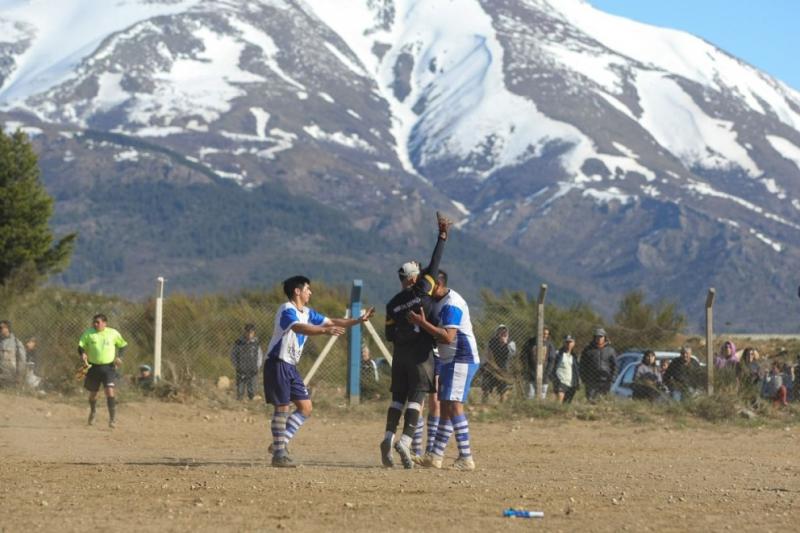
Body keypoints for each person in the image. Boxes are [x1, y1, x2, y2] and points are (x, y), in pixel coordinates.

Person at [265, 275, 375, 468]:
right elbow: (299, 328)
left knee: (306, 408)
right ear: (297, 291)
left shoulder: (307, 312)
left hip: (290, 366)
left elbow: (331, 321)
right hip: (278, 363)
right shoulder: (286, 309)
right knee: (282, 408)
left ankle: (278, 445)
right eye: (307, 288)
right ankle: (279, 453)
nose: (310, 292)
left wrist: (358, 320)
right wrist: (324, 331)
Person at [381, 212, 450, 469]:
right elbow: (436, 262)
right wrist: (442, 236)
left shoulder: (392, 305)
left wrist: (403, 334)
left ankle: (388, 437)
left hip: (399, 355)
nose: (422, 276)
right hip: (421, 355)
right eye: (418, 274)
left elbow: (388, 335)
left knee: (397, 398)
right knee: (417, 398)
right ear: (412, 278)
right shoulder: (423, 290)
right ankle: (406, 441)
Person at [409, 269, 481, 471]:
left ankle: (466, 457)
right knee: (447, 406)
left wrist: (422, 324)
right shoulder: (439, 301)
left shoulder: (452, 304)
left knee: (454, 406)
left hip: (461, 358)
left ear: (438, 285)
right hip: (451, 359)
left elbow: (448, 337)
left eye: (427, 287)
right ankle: (436, 456)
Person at [78, 314, 128, 428]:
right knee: (93, 395)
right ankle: (93, 411)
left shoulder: (113, 333)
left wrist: (120, 357)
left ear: (105, 323)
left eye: (98, 322)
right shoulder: (88, 333)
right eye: (94, 322)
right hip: (93, 368)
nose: (95, 324)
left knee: (110, 391)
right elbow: (80, 346)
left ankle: (112, 419)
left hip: (109, 368)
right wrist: (83, 353)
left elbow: (123, 345)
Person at [579, 328, 617, 401]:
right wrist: (584, 378)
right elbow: (582, 365)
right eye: (597, 337)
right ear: (594, 338)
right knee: (590, 400)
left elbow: (615, 366)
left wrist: (613, 378)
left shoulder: (610, 350)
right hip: (591, 380)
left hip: (605, 380)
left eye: (601, 337)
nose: (599, 338)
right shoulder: (588, 350)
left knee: (602, 400)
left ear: (605, 337)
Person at [482, 325, 516, 402]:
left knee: (503, 389)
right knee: (486, 388)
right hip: (492, 367)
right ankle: (484, 404)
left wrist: (505, 344)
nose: (502, 334)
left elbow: (512, 355)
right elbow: (487, 354)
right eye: (500, 332)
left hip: (503, 368)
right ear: (497, 333)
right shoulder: (492, 342)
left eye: (505, 333)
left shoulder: (511, 343)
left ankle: (502, 405)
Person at [522, 327, 556, 400]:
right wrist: (528, 370)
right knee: (530, 396)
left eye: (547, 334)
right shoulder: (530, 342)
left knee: (542, 398)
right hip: (531, 375)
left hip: (544, 376)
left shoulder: (549, 344)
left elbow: (551, 360)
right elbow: (524, 357)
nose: (545, 335)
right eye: (543, 333)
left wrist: (546, 373)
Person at [231, 323, 264, 401]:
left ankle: (251, 400)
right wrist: (237, 365)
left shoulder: (256, 343)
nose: (249, 334)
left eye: (251, 332)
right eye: (247, 332)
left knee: (252, 389)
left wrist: (257, 366)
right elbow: (233, 355)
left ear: (254, 333)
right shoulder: (238, 343)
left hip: (252, 370)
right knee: (240, 389)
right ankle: (239, 400)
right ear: (244, 332)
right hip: (241, 370)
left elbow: (260, 356)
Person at [550, 335, 579, 403]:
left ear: (574, 343)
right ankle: (556, 412)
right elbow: (552, 367)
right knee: (559, 401)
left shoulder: (574, 356)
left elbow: (576, 370)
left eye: (570, 342)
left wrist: (576, 382)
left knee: (566, 404)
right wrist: (554, 379)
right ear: (564, 343)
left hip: (571, 383)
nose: (568, 344)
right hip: (561, 381)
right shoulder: (558, 354)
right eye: (567, 342)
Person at [0, 320, 26, 387]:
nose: (0, 330)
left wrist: (19, 377)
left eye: (1, 327)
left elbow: (22, 361)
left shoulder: (16, 343)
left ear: (7, 328)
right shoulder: (1, 342)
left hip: (11, 376)